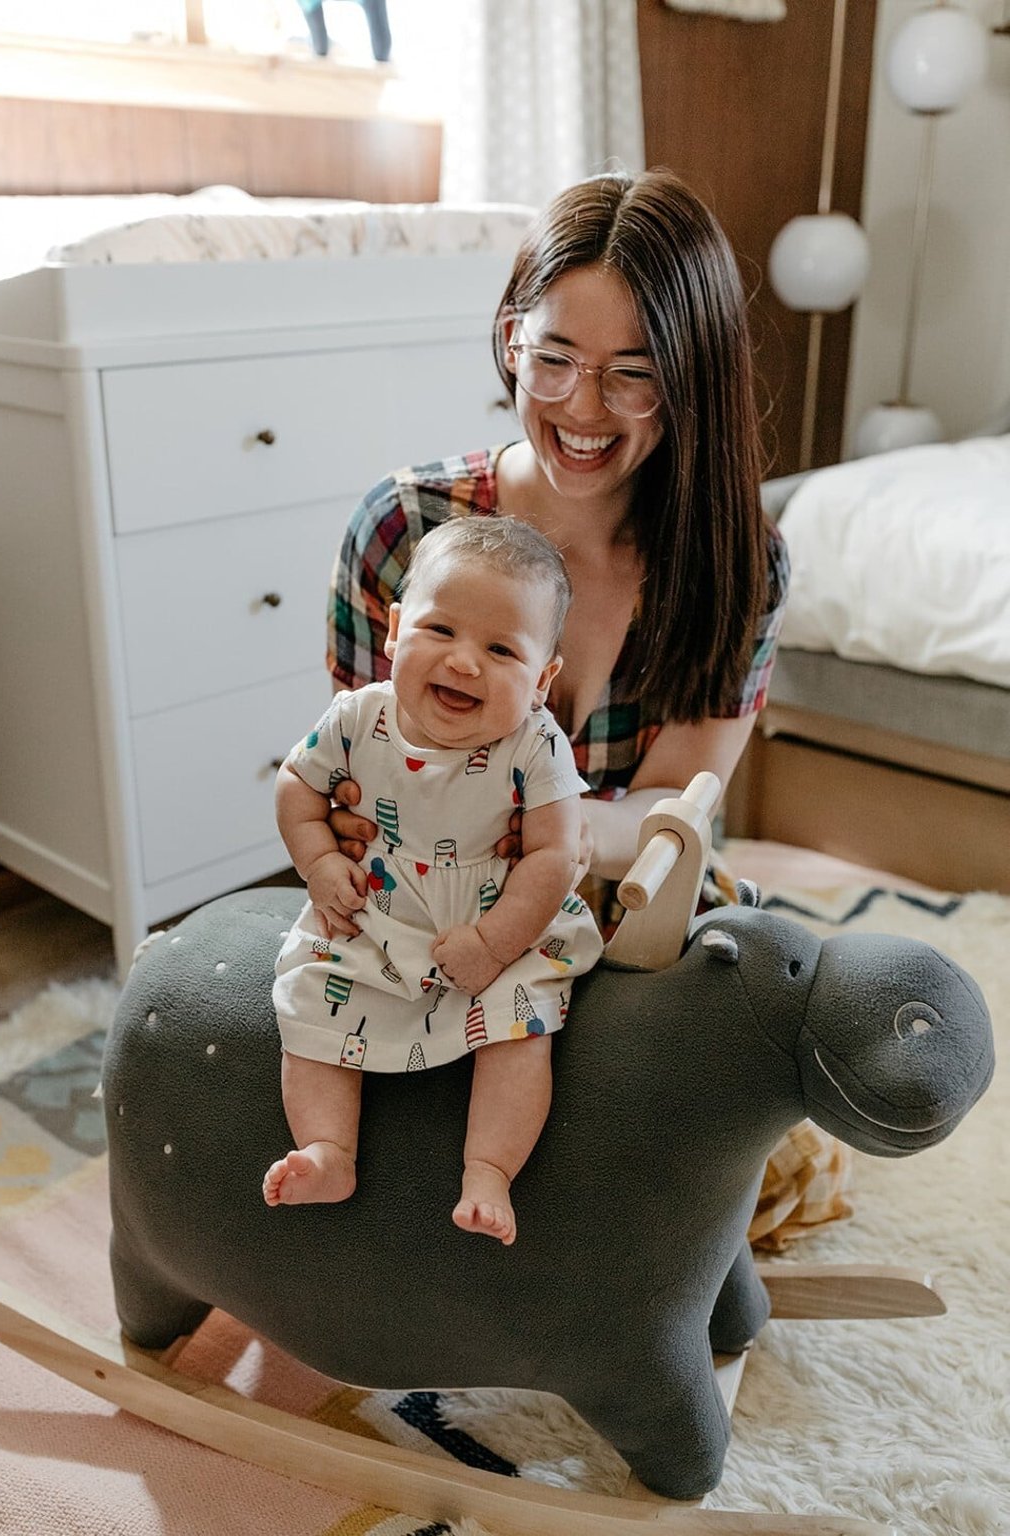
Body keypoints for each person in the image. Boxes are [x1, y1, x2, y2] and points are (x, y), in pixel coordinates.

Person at [325, 168, 852, 1250]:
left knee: (754, 1137)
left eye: (632, 377)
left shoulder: (739, 562)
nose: (579, 407)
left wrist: (552, 827)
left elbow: (678, 812)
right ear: (511, 339)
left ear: (693, 378)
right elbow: (362, 781)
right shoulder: (406, 528)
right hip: (437, 907)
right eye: (553, 357)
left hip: (638, 909)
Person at [264, 516, 604, 1246]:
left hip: (499, 919)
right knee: (315, 993)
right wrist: (322, 864)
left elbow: (551, 856)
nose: (463, 662)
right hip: (380, 909)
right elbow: (296, 785)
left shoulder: (537, 742)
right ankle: (329, 1151)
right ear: (393, 631)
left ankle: (488, 1171)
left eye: (501, 648)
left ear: (543, 679)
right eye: (440, 630)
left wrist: (492, 941)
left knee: (522, 1025)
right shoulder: (358, 717)